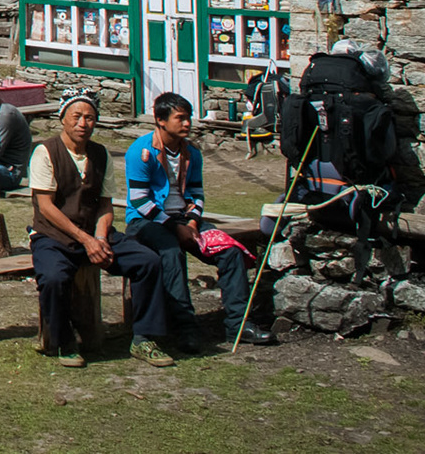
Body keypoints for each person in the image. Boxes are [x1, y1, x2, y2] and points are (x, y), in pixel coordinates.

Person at [28, 92, 174, 369]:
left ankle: (144, 337)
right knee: (53, 277)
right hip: (55, 236)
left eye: (90, 118)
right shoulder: (45, 151)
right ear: (63, 120)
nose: (83, 123)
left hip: (95, 234)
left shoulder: (100, 154)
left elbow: (106, 205)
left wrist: (100, 237)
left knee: (147, 261)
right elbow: (45, 207)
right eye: (77, 117)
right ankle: (63, 342)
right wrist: (85, 239)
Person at [125, 92, 277, 349]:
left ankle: (238, 325)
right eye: (180, 118)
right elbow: (140, 201)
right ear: (161, 120)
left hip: (184, 220)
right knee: (171, 252)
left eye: (188, 118)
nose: (187, 124)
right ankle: (186, 327)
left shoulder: (191, 153)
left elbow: (197, 193)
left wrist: (192, 223)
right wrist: (176, 228)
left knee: (229, 251)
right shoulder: (140, 152)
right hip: (147, 222)